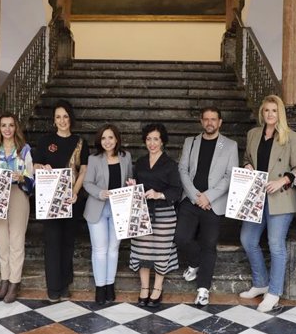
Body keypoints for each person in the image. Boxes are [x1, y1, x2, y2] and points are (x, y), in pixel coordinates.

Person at [239, 95, 296, 312]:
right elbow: (247, 157)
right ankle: (261, 283)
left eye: (274, 111)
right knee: (248, 239)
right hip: (256, 196)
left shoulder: (291, 137)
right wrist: (248, 165)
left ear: (280, 114)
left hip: (280, 197)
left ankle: (274, 292)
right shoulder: (253, 134)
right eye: (266, 110)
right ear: (262, 112)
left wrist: (282, 180)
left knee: (276, 244)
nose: (270, 114)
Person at [176, 107, 238, 306]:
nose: (210, 122)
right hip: (191, 200)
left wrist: (209, 197)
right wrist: (196, 196)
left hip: (214, 203)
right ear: (201, 121)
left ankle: (203, 289)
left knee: (209, 245)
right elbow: (182, 169)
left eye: (214, 119)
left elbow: (230, 175)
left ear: (220, 122)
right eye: (206, 119)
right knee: (181, 238)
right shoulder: (190, 142)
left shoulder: (230, 145)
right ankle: (194, 262)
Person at [33, 100, 89, 302]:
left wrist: (74, 192)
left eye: (65, 116)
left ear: (70, 118)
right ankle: (53, 287)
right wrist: (42, 168)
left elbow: (83, 170)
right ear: (54, 120)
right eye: (58, 117)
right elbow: (35, 165)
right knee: (53, 242)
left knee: (67, 243)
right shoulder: (45, 141)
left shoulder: (80, 142)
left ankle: (65, 285)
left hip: (72, 200)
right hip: (50, 201)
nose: (62, 120)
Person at [128, 123, 182, 308]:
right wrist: (132, 185)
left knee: (161, 252)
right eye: (149, 139)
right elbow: (136, 183)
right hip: (142, 212)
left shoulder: (170, 164)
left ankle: (157, 288)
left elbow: (177, 190)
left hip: (164, 214)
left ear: (162, 141)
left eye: (156, 139)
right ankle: (144, 288)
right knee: (142, 249)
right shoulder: (141, 162)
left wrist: (159, 194)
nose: (152, 143)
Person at [0, 113, 34, 303]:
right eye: (3, 125)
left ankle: (14, 282)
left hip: (18, 195)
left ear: (15, 128)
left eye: (11, 125)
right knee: (2, 241)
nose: (7, 129)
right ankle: (4, 281)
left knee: (16, 241)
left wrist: (20, 177)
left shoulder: (24, 150)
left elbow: (32, 178)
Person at [83, 124, 133, 305]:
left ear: (117, 139)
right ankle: (100, 287)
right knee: (100, 250)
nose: (107, 141)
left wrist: (131, 184)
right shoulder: (94, 158)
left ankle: (110, 285)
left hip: (119, 209)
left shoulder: (125, 157)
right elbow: (87, 183)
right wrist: (99, 192)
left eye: (110, 137)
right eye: (103, 138)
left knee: (113, 249)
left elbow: (129, 179)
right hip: (98, 208)